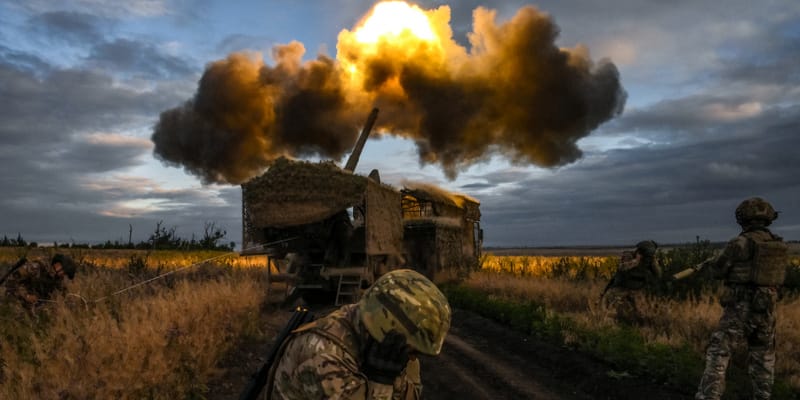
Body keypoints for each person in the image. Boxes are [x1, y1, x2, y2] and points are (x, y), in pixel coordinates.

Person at [266, 269, 451, 400]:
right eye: (414, 351)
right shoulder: (323, 354)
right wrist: (381, 383)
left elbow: (413, 394)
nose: (412, 358)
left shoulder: (387, 347)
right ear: (385, 329)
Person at [689, 197, 788, 400]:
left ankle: (709, 396)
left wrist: (713, 264)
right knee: (764, 357)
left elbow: (718, 269)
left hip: (740, 306)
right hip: (766, 308)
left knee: (719, 352)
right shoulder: (778, 245)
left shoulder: (739, 243)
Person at [601, 240, 662, 325]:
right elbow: (622, 268)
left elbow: (658, 275)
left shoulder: (649, 261)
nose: (647, 259)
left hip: (636, 291)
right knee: (613, 313)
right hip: (620, 290)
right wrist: (636, 261)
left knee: (639, 315)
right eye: (647, 256)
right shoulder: (628, 256)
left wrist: (653, 262)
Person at [3, 253, 77, 311]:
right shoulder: (35, 267)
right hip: (14, 296)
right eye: (64, 272)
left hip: (34, 302)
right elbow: (10, 281)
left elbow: (64, 293)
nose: (63, 275)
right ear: (58, 265)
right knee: (19, 314)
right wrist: (26, 296)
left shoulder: (57, 278)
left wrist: (71, 303)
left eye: (65, 273)